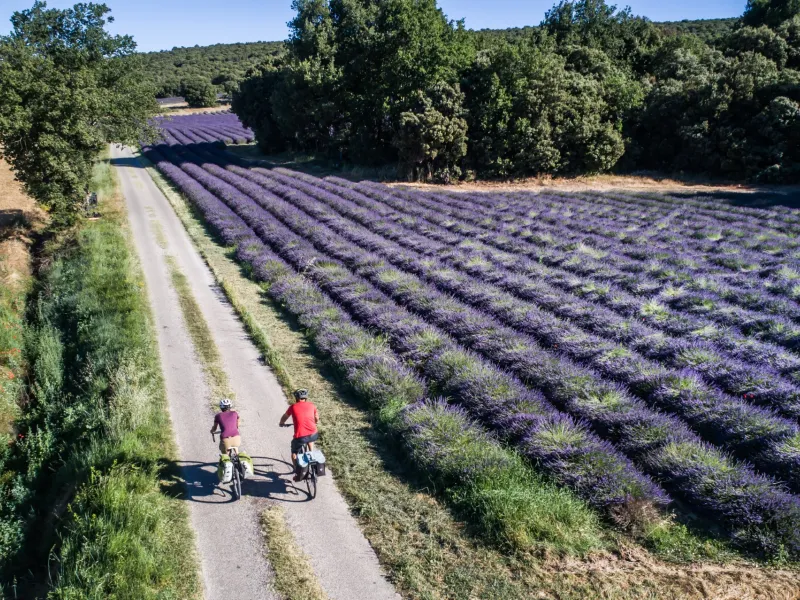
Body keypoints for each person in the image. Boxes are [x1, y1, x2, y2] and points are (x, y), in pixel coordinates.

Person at [279, 389, 320, 481]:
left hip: (300, 437)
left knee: (294, 453)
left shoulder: (293, 407)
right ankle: (311, 453)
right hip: (314, 433)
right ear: (306, 398)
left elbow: (285, 416)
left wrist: (281, 423)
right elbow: (317, 418)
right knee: (310, 438)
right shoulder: (312, 405)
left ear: (296, 398)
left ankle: (297, 472)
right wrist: (315, 422)